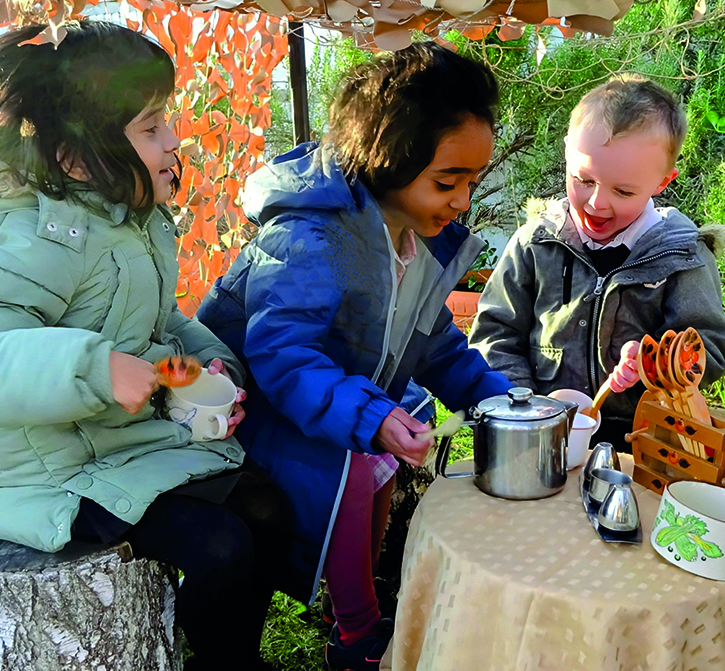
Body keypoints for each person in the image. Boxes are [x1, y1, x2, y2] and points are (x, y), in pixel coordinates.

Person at [0, 22, 284, 671]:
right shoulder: (21, 241)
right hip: (51, 473)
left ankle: (213, 645)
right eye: (150, 126)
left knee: (265, 507)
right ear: (74, 153)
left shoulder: (120, 221)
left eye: (166, 121)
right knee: (221, 546)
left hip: (113, 441)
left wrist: (210, 367)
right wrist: (91, 366)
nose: (173, 140)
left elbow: (157, 323)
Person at [196, 42, 514, 671]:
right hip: (249, 408)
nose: (460, 202)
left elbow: (433, 341)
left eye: (471, 183)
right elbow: (281, 353)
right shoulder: (312, 238)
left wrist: (495, 395)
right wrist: (367, 417)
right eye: (446, 181)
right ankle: (357, 634)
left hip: (329, 397)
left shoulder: (417, 237)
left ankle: (359, 604)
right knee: (353, 470)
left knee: (378, 463)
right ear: (387, 159)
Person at [469, 74, 725, 451]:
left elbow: (708, 349)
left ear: (662, 181)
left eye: (623, 191)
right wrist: (521, 408)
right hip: (540, 432)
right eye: (583, 179)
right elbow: (496, 332)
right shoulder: (535, 243)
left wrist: (652, 361)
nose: (596, 203)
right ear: (566, 153)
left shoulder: (683, 257)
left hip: (640, 441)